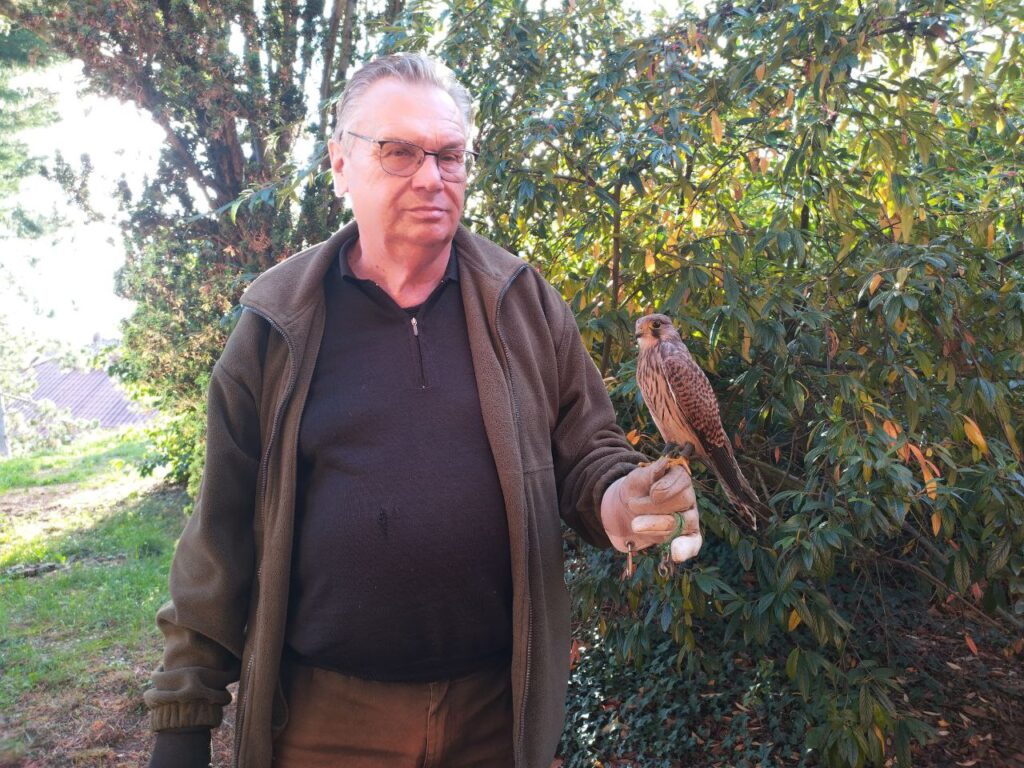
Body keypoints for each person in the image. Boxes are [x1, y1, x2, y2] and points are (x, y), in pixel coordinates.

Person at [144, 52, 701, 768]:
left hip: (494, 716)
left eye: (449, 154)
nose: (431, 177)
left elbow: (587, 452)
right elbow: (218, 533)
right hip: (325, 724)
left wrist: (622, 500)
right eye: (400, 152)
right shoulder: (277, 325)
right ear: (341, 165)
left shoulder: (521, 302)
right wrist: (183, 720)